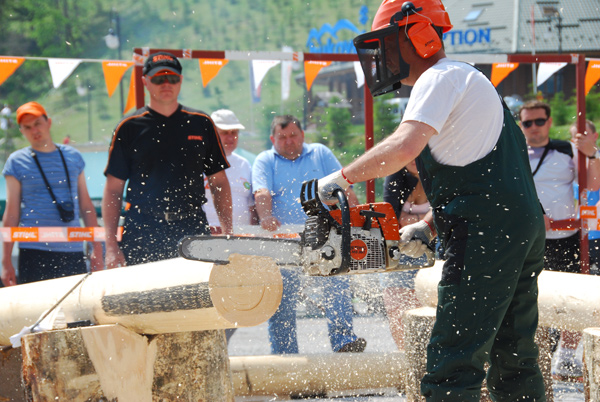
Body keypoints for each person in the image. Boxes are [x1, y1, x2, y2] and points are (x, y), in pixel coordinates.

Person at [317, 0, 547, 400]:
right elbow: (482, 177)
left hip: (484, 234)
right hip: (514, 227)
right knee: (514, 355)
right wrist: (429, 226)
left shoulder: (439, 78)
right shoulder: (467, 80)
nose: (383, 55)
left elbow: (404, 147)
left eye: (388, 43)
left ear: (418, 34)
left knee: (451, 358)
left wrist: (342, 176)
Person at [102, 52, 233, 268]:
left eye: (171, 78)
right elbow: (113, 190)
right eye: (158, 78)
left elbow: (219, 182)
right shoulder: (129, 127)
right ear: (145, 82)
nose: (166, 84)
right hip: (143, 228)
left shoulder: (202, 123)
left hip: (191, 226)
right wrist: (111, 247)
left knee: (195, 297)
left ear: (180, 81)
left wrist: (229, 234)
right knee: (141, 298)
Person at [252, 114, 366, 354]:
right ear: (273, 139)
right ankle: (285, 354)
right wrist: (265, 217)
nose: (289, 141)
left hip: (326, 235)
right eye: (282, 137)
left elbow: (344, 186)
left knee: (337, 286)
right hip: (286, 239)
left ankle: (344, 341)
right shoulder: (264, 160)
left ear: (303, 135)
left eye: (293, 135)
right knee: (282, 297)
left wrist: (354, 222)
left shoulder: (320, 153)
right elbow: (262, 193)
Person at [1, 102, 103, 286]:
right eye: (27, 127)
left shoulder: (73, 156)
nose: (34, 130)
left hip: (72, 247)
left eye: (37, 123)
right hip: (33, 248)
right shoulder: (16, 161)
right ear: (22, 131)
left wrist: (96, 247)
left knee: (77, 311)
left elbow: (86, 207)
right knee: (36, 311)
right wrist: (6, 260)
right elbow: (12, 213)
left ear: (48, 122)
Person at [519, 101, 600, 274]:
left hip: (566, 236)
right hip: (526, 238)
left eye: (539, 121)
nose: (534, 127)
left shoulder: (567, 149)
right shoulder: (513, 155)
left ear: (549, 122)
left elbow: (592, 185)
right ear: (521, 125)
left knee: (572, 293)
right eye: (527, 123)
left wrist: (593, 154)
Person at [380, 160, 430, 350]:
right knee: (398, 311)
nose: (414, 158)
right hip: (401, 246)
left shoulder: (439, 172)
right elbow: (392, 219)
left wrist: (412, 220)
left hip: (436, 247)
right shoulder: (394, 175)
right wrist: (425, 220)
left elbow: (447, 215)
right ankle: (406, 359)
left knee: (431, 307)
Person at [203, 109, 256, 232]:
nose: (231, 137)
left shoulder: (244, 164)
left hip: (242, 236)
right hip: (207, 236)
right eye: (225, 132)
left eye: (234, 132)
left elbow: (251, 206)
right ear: (212, 133)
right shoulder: (199, 162)